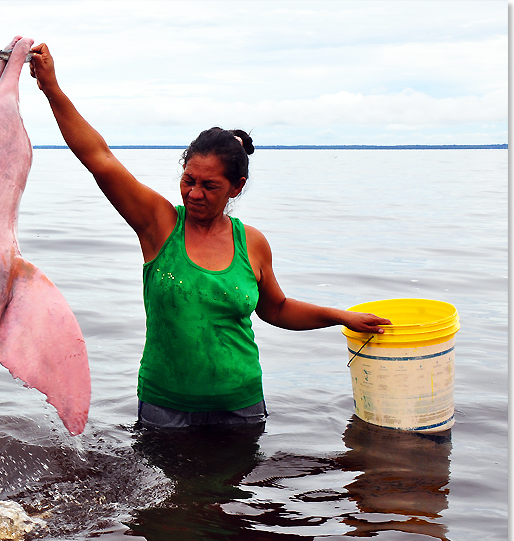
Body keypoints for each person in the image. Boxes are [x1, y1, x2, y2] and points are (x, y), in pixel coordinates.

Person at [28, 43, 391, 429]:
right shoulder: (159, 225)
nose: (194, 193)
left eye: (210, 186)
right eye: (189, 181)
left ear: (236, 188)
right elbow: (99, 158)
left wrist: (340, 316)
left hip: (241, 407)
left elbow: (277, 309)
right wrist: (51, 87)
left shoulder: (251, 243)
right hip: (165, 407)